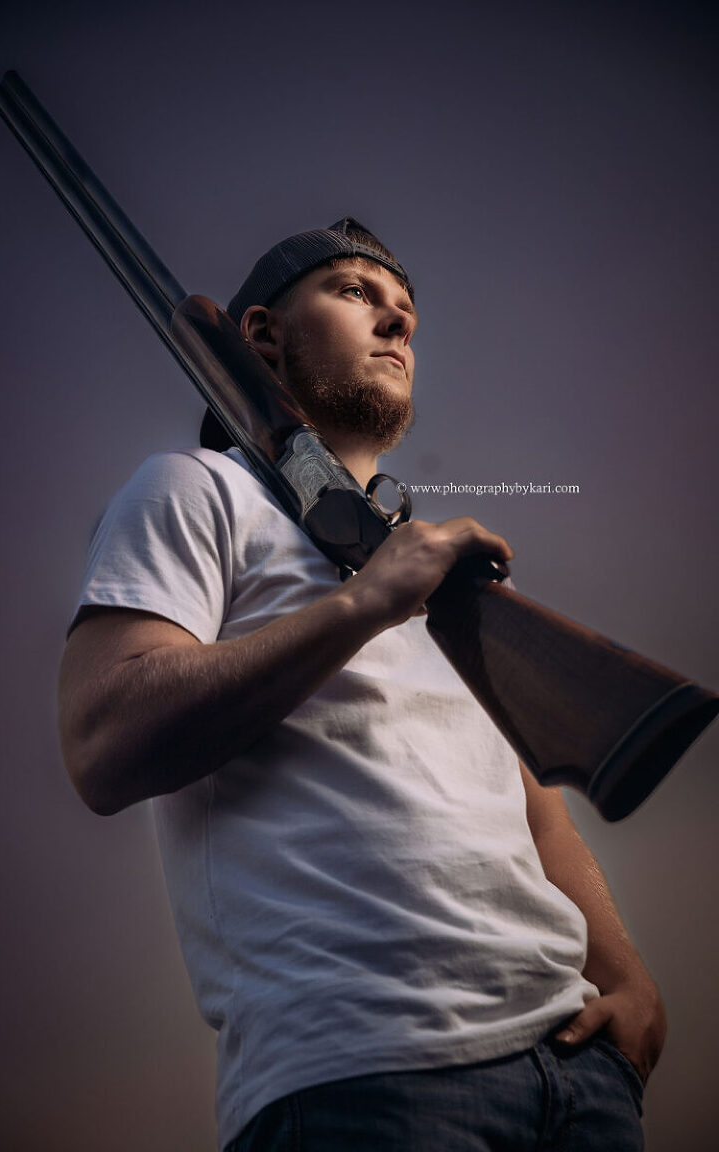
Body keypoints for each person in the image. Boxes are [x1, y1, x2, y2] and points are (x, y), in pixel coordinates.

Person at [58, 218, 666, 1151]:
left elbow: (532, 805)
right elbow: (101, 741)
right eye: (354, 293)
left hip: (580, 1071)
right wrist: (366, 605)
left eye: (406, 313)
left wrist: (624, 973)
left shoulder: (440, 579)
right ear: (260, 334)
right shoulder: (192, 488)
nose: (396, 325)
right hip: (361, 1074)